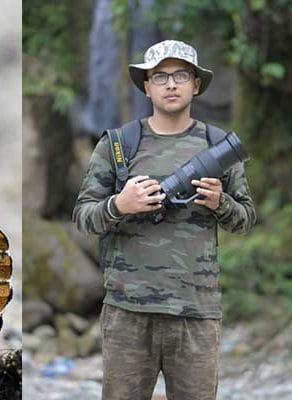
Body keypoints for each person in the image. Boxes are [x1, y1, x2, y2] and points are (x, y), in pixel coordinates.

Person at [72, 40, 257, 399]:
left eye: (181, 75)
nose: (171, 84)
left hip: (196, 314)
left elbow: (246, 221)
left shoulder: (218, 147)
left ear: (196, 84)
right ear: (146, 86)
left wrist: (221, 203)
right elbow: (83, 218)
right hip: (127, 313)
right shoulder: (117, 145)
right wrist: (119, 205)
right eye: (160, 77)